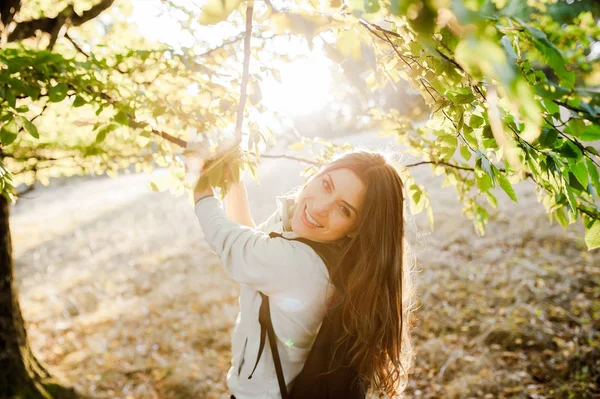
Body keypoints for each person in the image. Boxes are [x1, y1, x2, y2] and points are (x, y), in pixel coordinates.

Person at [193, 150, 415, 399]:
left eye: (344, 210)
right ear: (316, 174)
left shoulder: (303, 265)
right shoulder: (320, 245)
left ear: (356, 229)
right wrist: (232, 179)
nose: (320, 208)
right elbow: (254, 245)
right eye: (326, 185)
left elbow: (234, 245)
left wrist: (200, 187)